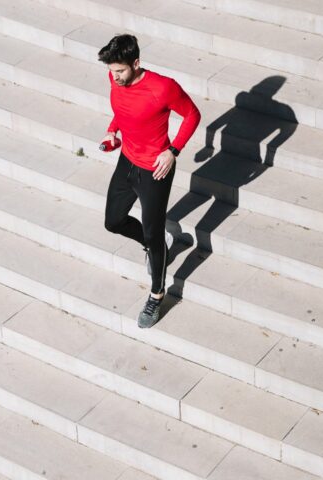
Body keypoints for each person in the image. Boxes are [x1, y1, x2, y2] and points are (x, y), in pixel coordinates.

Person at [99, 34, 201, 328]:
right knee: (113, 221)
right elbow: (122, 108)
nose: (114, 77)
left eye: (120, 71)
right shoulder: (115, 78)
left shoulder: (162, 87)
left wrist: (173, 151)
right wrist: (112, 130)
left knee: (154, 232)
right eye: (111, 71)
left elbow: (192, 115)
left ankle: (157, 296)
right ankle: (153, 246)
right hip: (127, 160)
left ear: (136, 63)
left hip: (155, 169)